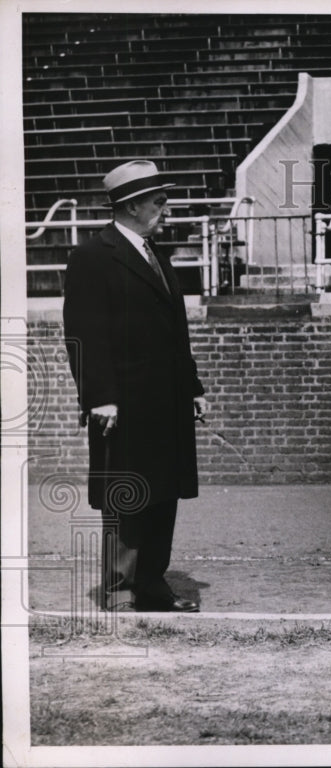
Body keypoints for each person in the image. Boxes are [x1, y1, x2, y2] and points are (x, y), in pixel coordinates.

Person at [63, 160, 207, 612]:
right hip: (122, 404)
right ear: (131, 205)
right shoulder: (92, 256)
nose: (168, 211)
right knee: (128, 493)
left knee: (163, 491)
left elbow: (175, 332)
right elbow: (83, 333)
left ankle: (151, 586)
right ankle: (120, 590)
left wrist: (193, 386)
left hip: (167, 402)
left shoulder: (157, 255)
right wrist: (100, 396)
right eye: (159, 202)